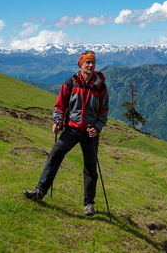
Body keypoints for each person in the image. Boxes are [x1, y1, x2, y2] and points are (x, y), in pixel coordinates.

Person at [23, 50, 109, 216]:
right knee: (54, 156)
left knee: (90, 167)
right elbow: (60, 106)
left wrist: (97, 128)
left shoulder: (100, 87)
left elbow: (104, 112)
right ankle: (40, 191)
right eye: (87, 63)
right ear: (81, 65)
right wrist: (57, 122)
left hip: (90, 133)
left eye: (93, 63)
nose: (90, 66)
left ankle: (89, 204)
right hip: (72, 129)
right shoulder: (70, 83)